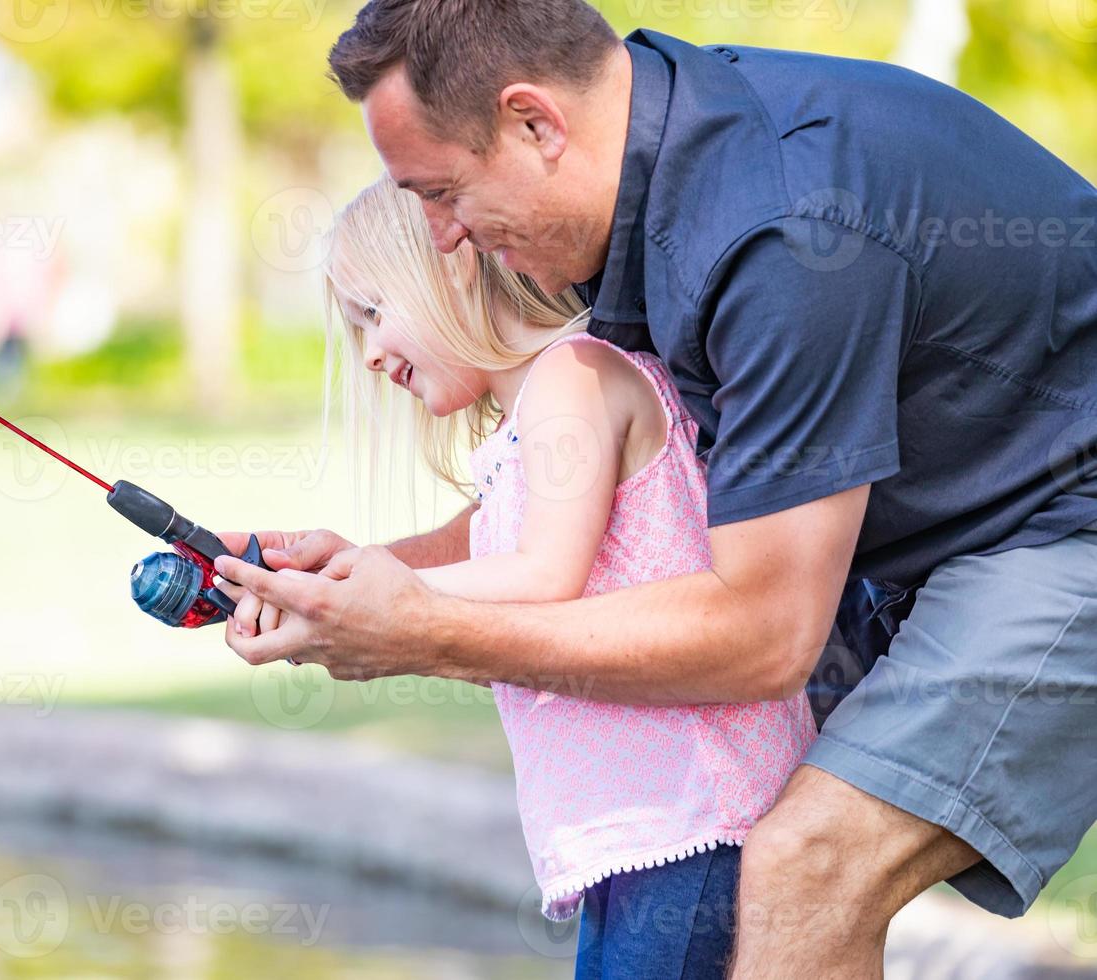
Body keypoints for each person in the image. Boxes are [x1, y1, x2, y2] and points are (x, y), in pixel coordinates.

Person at [213, 3, 1097, 976]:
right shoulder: (652, 190)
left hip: (1065, 519)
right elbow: (561, 516)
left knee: (813, 862)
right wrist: (350, 574)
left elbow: (761, 632)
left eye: (439, 192)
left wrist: (417, 627)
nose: (442, 236)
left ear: (534, 123)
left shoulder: (783, 234)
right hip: (941, 529)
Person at [234, 175, 817, 975]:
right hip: (644, 833)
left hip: (691, 820)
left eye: (374, 310)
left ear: (452, 262)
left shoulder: (570, 378)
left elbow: (544, 576)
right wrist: (328, 573)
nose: (369, 352)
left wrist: (375, 596)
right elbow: (494, 555)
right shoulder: (525, 427)